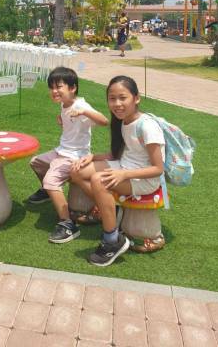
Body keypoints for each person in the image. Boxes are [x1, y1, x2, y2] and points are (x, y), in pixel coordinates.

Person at [70, 75, 165, 266]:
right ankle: (109, 209)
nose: (117, 104)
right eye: (112, 99)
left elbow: (158, 169)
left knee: (98, 180)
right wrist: (93, 157)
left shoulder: (147, 126)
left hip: (143, 179)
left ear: (136, 98)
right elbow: (119, 154)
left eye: (123, 98)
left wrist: (124, 174)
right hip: (123, 166)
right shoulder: (123, 121)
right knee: (76, 171)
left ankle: (112, 240)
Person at [28, 66, 108, 243]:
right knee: (36, 162)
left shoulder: (80, 105)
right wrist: (63, 121)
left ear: (72, 88)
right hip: (62, 150)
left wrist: (84, 112)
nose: (54, 91)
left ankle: (67, 224)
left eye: (59, 87)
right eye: (51, 87)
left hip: (74, 156)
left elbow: (104, 121)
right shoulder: (64, 104)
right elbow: (71, 125)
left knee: (50, 181)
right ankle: (48, 192)